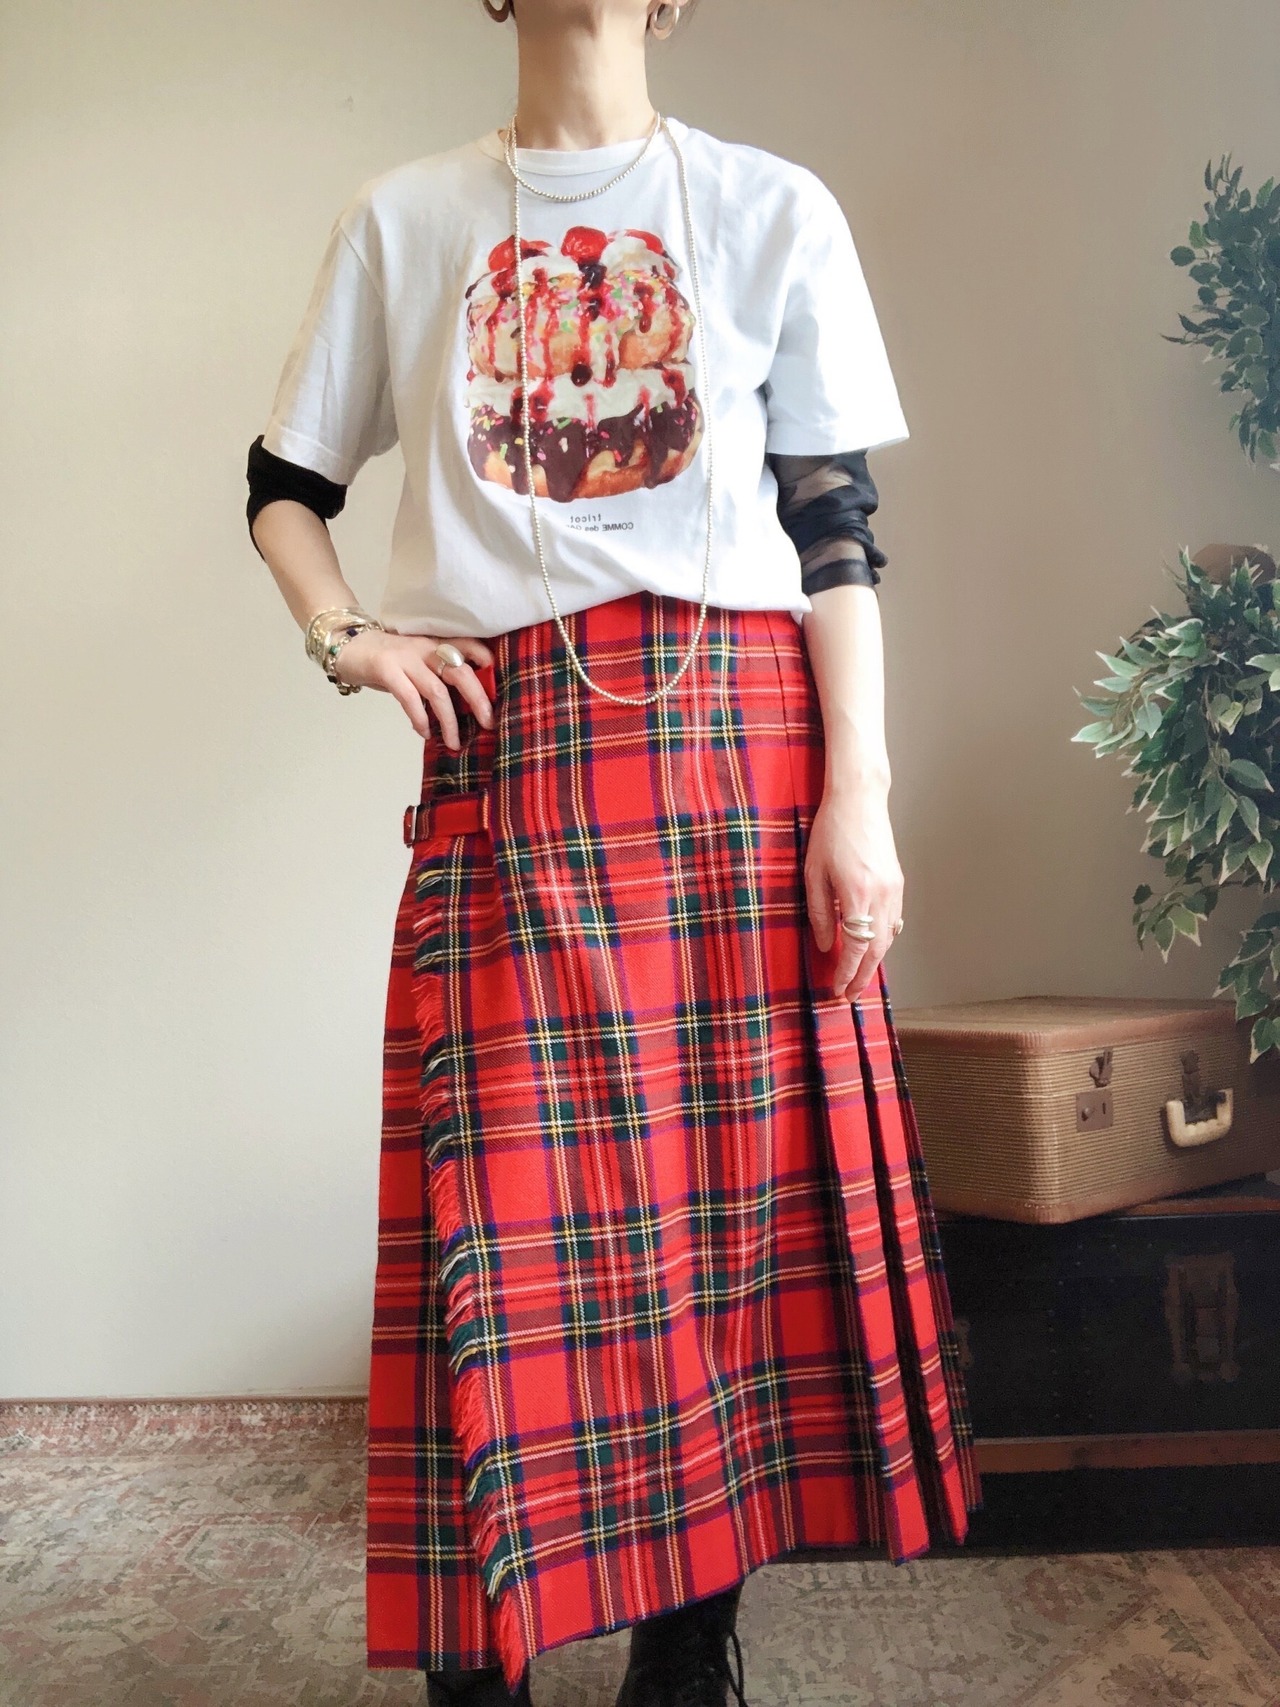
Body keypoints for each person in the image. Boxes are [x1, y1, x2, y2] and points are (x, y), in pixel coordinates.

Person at [245, 3, 981, 1703]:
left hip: (741, 748)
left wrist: (859, 795)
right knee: (500, 1212)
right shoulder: (404, 219)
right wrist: (348, 635)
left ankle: (690, 1646)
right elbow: (283, 484)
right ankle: (477, 1658)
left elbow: (834, 531)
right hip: (515, 753)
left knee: (724, 1223)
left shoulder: (771, 206)